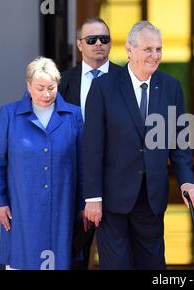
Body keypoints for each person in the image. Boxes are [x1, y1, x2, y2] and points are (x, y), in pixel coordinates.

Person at [82, 21, 194, 270]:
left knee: (153, 265)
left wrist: (187, 179)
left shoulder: (171, 87)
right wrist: (92, 197)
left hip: (152, 197)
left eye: (158, 49)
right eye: (148, 49)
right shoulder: (104, 87)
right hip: (113, 198)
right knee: (116, 265)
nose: (154, 55)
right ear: (129, 50)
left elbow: (179, 141)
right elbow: (92, 147)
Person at [0, 57, 84, 270]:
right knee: (22, 260)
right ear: (28, 86)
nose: (46, 93)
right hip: (22, 207)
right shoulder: (9, 114)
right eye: (40, 88)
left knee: (60, 261)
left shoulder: (73, 115)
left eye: (51, 87)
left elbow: (83, 163)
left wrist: (83, 204)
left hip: (63, 207)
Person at [58, 17, 120, 270]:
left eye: (104, 39)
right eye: (91, 39)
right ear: (79, 44)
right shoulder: (61, 82)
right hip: (71, 184)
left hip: (116, 186)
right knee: (73, 258)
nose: (98, 44)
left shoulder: (127, 79)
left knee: (117, 259)